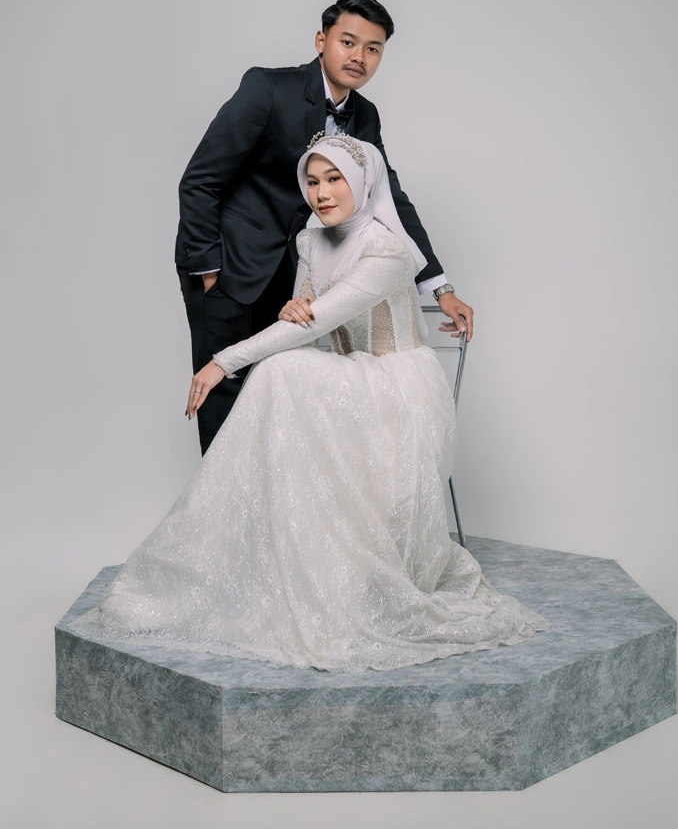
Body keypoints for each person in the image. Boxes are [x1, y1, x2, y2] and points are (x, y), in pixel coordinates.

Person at [69, 136, 549, 673]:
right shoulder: (309, 241)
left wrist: (223, 361)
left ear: (362, 182)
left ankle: (318, 568)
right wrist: (292, 307)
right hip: (346, 381)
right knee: (283, 369)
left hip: (396, 389)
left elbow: (319, 321)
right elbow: (307, 323)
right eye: (313, 181)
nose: (321, 193)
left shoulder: (388, 250)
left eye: (335, 179)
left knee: (282, 370)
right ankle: (280, 558)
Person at [175, 0, 474, 453]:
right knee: (223, 390)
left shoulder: (365, 115)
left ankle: (266, 498)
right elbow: (200, 180)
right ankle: (222, 501)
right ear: (321, 41)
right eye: (348, 42)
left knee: (272, 391)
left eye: (373, 49)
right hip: (230, 263)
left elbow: (389, 197)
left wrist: (439, 287)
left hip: (295, 277)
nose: (359, 57)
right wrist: (209, 270)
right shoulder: (267, 88)